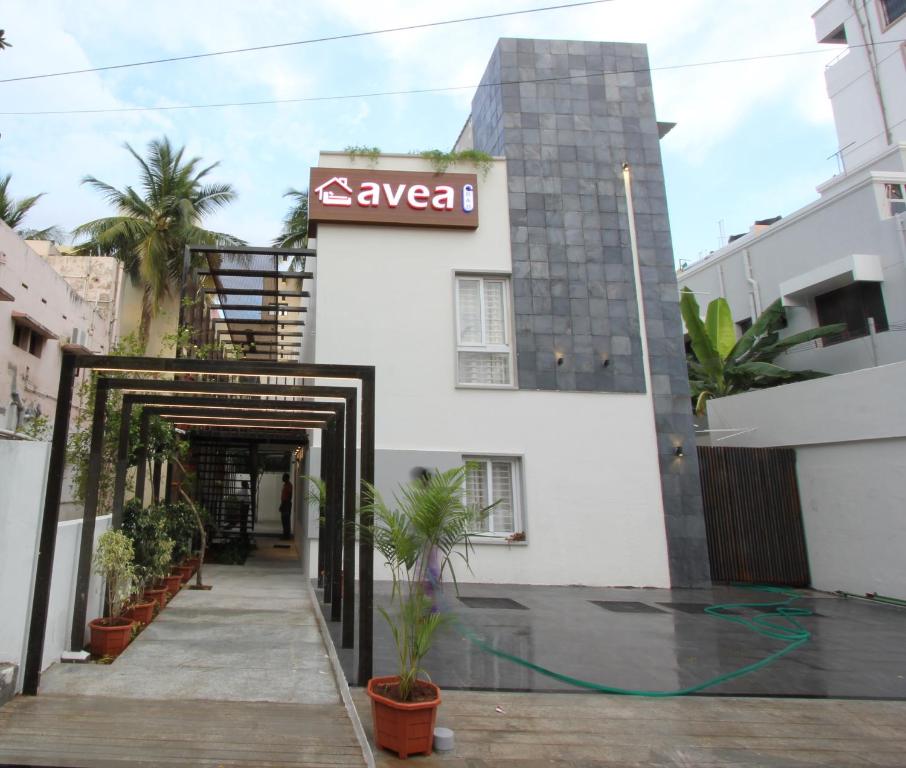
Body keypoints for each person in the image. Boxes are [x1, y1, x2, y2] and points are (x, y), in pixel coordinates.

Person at [280, 473, 293, 540]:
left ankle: (286, 536)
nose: (282, 478)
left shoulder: (289, 485)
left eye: (283, 477)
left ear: (287, 478)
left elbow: (289, 496)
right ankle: (285, 535)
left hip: (286, 504)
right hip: (284, 503)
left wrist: (285, 504)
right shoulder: (285, 485)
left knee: (286, 520)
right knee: (283, 520)